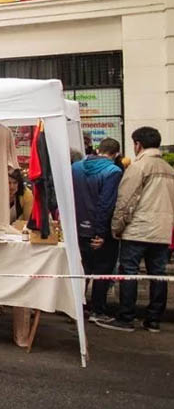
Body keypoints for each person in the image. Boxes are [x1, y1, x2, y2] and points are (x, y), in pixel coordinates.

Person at [101, 127, 174, 333]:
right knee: (157, 274)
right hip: (162, 231)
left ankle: (126, 317)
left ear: (138, 144)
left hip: (138, 229)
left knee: (129, 272)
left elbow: (125, 200)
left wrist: (117, 226)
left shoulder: (138, 167)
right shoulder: (169, 169)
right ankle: (153, 319)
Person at [71, 138, 122, 323]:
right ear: (115, 154)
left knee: (80, 270)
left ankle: (76, 308)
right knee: (102, 271)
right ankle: (97, 310)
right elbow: (105, 204)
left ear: (98, 150)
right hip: (99, 229)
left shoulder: (75, 167)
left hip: (77, 227)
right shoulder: (113, 172)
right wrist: (101, 233)